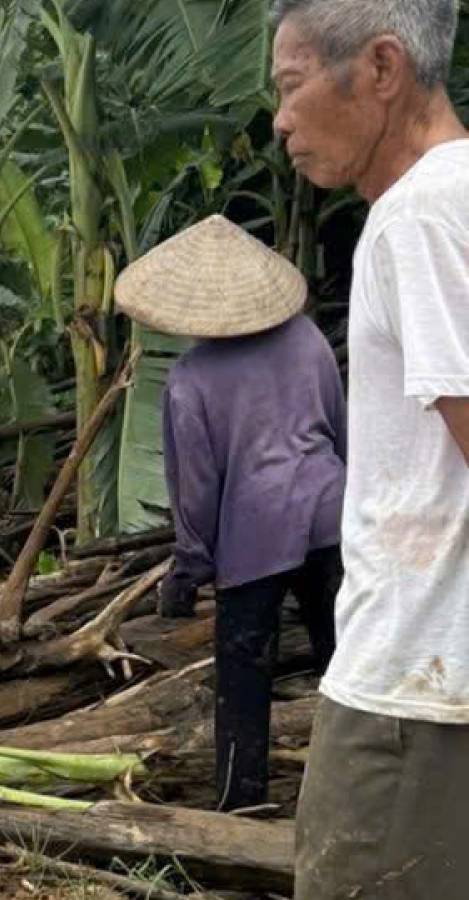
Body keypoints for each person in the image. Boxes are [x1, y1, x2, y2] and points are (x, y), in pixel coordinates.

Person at [269, 0, 469, 895]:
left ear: (381, 69)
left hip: (414, 689)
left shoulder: (417, 215)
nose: (279, 118)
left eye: (291, 82)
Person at [113, 215, 346, 813]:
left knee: (244, 679)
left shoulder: (190, 381)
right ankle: (356, 795)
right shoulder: (309, 339)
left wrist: (187, 572)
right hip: (331, 516)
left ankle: (243, 807)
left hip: (255, 539)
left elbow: (195, 492)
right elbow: (339, 430)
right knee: (345, 665)